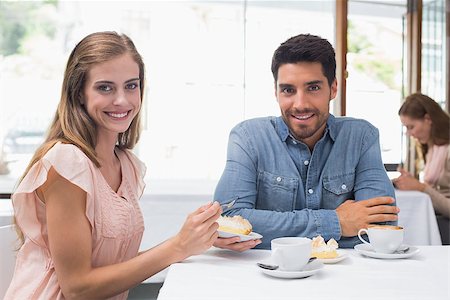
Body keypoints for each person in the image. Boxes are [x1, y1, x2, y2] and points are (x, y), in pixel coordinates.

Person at [5, 31, 223, 300]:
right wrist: (176, 246)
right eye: (105, 87)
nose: (122, 100)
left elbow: (112, 269)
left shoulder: (127, 165)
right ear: (79, 94)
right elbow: (77, 288)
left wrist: (192, 243)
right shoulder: (66, 163)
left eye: (131, 85)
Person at [214, 33, 399, 250]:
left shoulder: (361, 137)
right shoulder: (248, 138)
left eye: (313, 88)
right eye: (288, 90)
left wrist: (267, 229)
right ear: (276, 92)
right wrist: (337, 222)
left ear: (333, 88)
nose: (300, 104)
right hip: (268, 276)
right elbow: (227, 221)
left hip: (342, 277)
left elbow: (382, 226)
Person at [393, 93, 450, 220]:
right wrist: (413, 184)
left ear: (428, 119)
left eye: (411, 127)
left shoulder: (446, 151)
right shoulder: (432, 149)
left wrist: (421, 187)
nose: (408, 133)